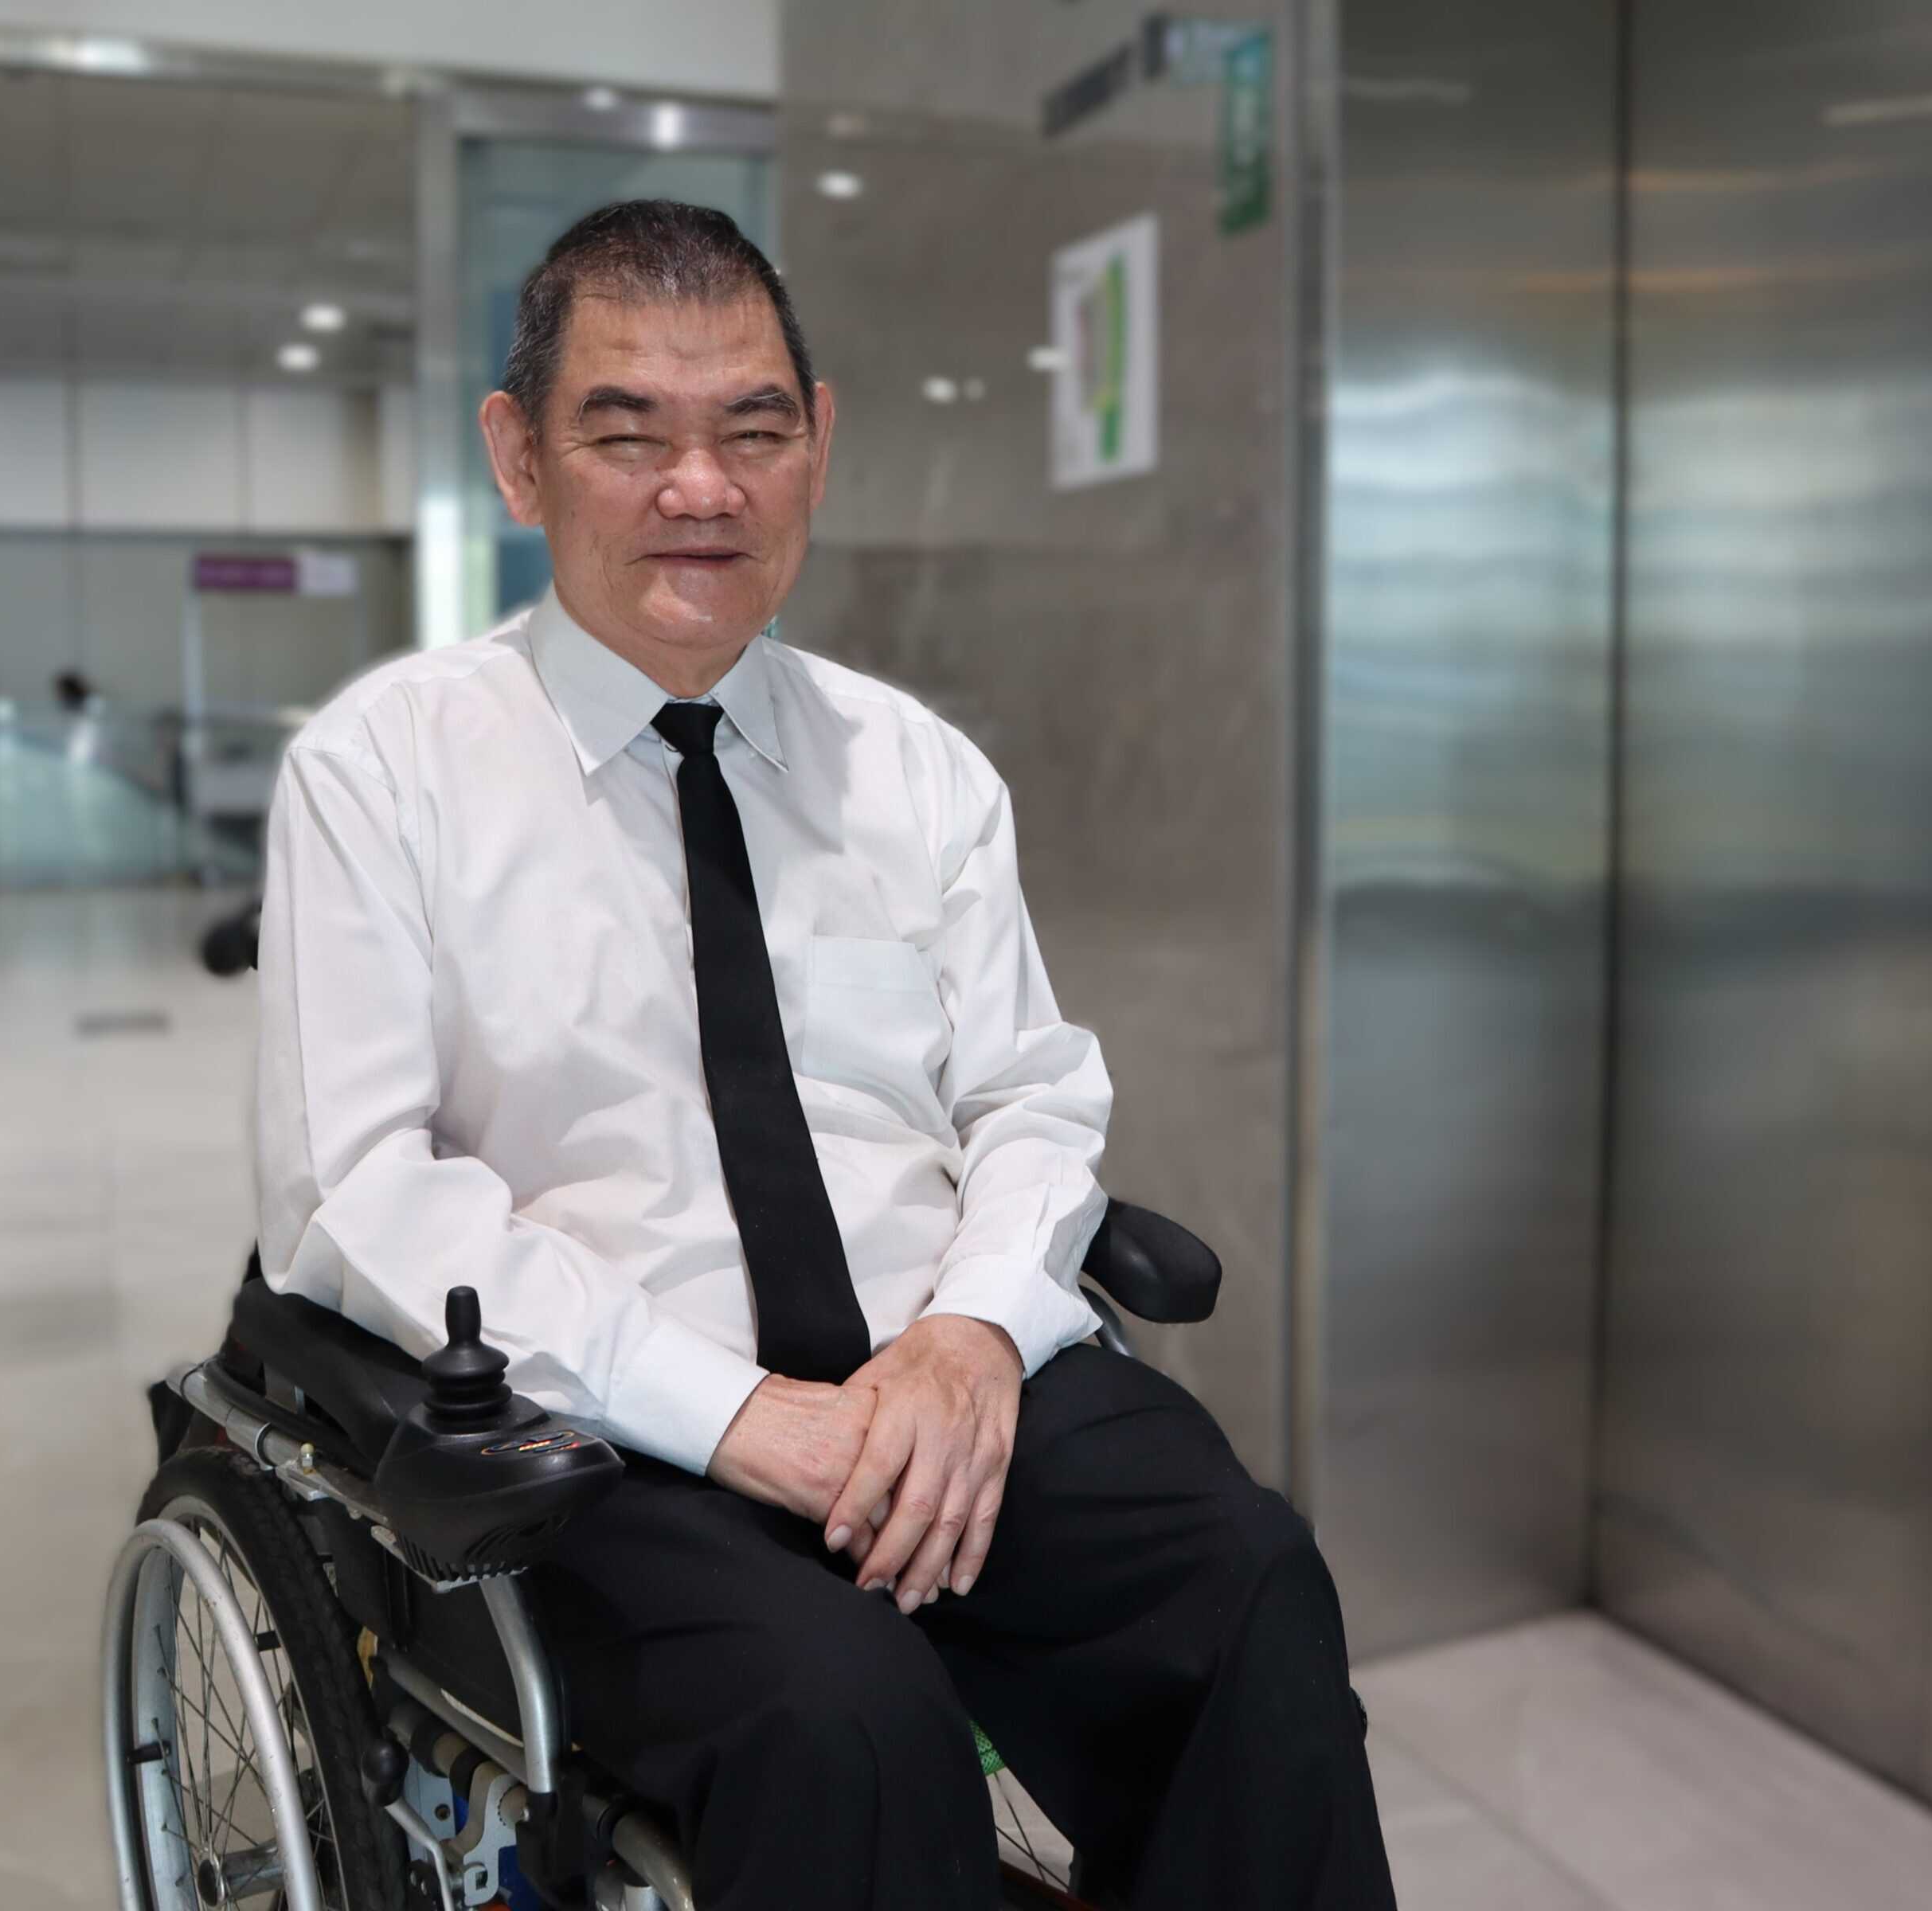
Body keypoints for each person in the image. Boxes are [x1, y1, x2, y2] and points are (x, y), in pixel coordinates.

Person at [255, 201, 1391, 1909]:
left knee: (1246, 1582)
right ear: (518, 457)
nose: (698, 488)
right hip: (611, 1422)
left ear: (820, 447)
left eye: (752, 431)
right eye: (625, 433)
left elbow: (1027, 1091)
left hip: (935, 1383)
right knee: (847, 1721)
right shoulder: (384, 775)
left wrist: (974, 1334)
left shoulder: (915, 768)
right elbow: (364, 1190)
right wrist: (732, 1419)